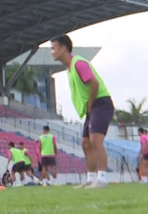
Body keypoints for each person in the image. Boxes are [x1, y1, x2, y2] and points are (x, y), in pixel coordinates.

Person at [49, 35, 114, 189]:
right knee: (85, 143)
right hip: (92, 106)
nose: (51, 52)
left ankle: (102, 179)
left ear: (64, 48)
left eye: (53, 48)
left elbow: (94, 83)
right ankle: (91, 178)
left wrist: (90, 104)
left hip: (100, 103)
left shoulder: (78, 63)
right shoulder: (70, 68)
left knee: (95, 141)